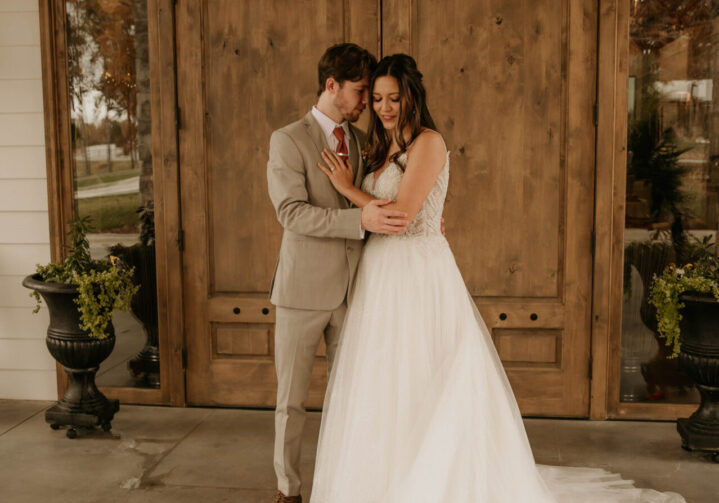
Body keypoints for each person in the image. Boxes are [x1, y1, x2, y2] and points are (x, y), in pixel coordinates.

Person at [310, 53, 685, 503]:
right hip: (380, 275)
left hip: (419, 275)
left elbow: (404, 217)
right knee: (382, 379)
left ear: (413, 96)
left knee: (426, 376)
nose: (385, 108)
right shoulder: (380, 146)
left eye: (394, 98)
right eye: (377, 99)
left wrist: (348, 187)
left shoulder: (429, 142)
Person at [266, 43, 411, 503]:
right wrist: (358, 221)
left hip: (354, 292)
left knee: (352, 398)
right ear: (332, 86)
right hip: (302, 292)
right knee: (291, 403)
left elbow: (375, 195)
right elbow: (291, 213)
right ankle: (288, 491)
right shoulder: (287, 140)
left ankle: (343, 485)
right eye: (361, 90)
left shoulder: (357, 140)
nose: (367, 101)